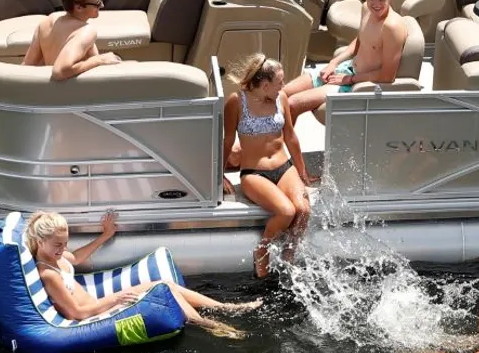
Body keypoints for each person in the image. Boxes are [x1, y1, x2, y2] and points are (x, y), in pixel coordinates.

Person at [23, 210, 259, 337]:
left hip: (99, 303)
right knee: (162, 289)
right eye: (58, 245)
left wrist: (105, 236)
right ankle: (209, 324)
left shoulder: (58, 257)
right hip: (93, 313)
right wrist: (114, 299)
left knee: (164, 283)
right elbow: (76, 312)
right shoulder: (48, 275)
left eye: (65, 243)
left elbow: (77, 258)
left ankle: (226, 308)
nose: (63, 249)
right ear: (40, 242)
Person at [222, 53, 312, 278]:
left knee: (303, 210)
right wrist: (219, 175)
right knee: (286, 211)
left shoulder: (281, 99)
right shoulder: (236, 102)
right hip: (255, 173)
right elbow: (227, 141)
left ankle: (289, 254)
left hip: (284, 167)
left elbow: (290, 136)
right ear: (264, 85)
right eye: (279, 81)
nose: (283, 85)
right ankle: (262, 248)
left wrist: (302, 172)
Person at [283, 0, 410, 124]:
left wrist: (350, 79)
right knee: (283, 93)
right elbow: (359, 40)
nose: (376, 4)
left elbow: (387, 76)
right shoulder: (366, 9)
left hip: (359, 83)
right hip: (348, 69)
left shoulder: (392, 27)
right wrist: (333, 63)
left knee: (292, 104)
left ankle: (283, 148)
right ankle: (266, 146)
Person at [22, 0, 126, 81]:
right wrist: (99, 60)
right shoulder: (85, 31)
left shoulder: (47, 22)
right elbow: (60, 71)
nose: (102, 5)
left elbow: (26, 67)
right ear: (79, 7)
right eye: (98, 3)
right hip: (76, 94)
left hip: (52, 92)